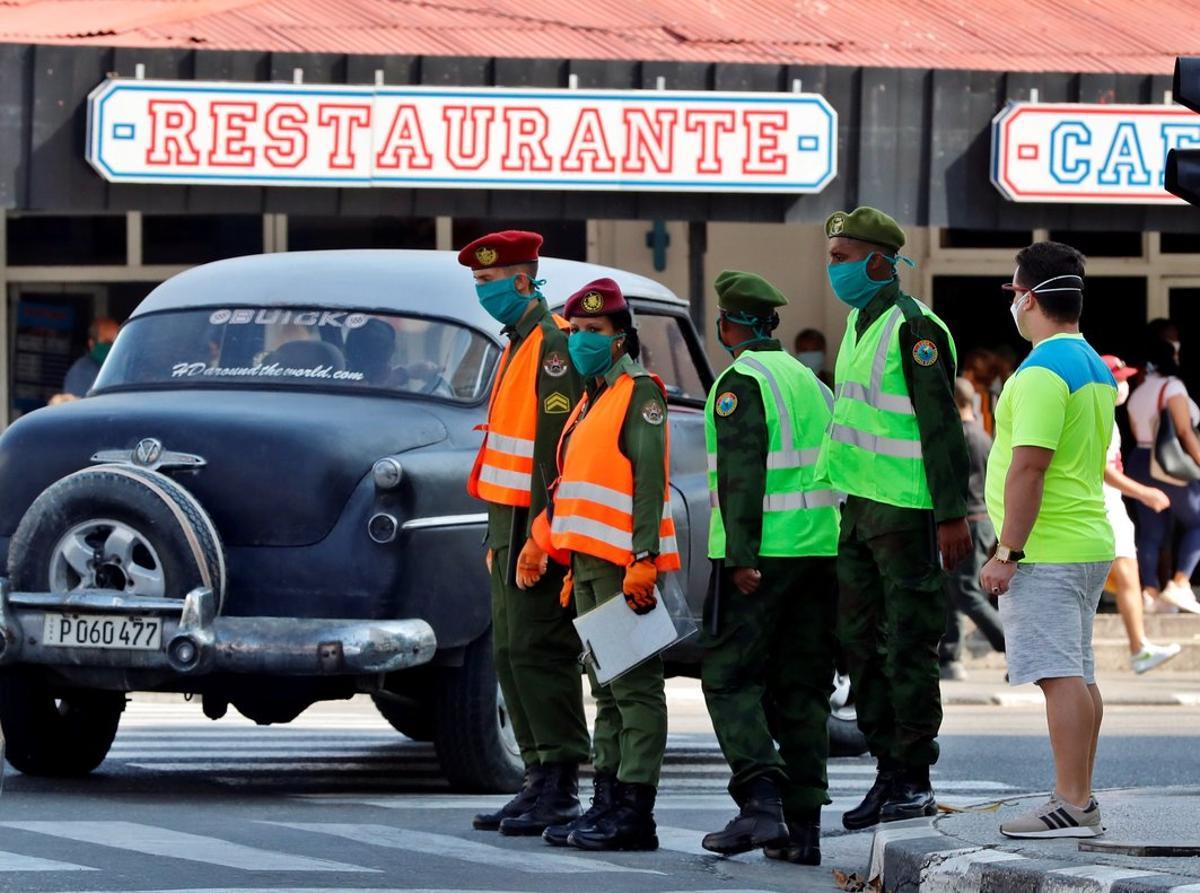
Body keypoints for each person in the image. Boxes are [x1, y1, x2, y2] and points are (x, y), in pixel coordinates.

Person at [814, 207, 972, 831]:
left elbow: (941, 429)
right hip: (858, 510)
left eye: (842, 258)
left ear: (880, 262)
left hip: (907, 513)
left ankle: (913, 777)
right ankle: (887, 768)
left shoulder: (915, 329)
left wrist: (951, 515)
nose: (835, 271)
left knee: (908, 645)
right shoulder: (858, 322)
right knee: (861, 647)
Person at [534, 277, 680, 852]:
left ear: (620, 338)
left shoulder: (640, 392)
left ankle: (635, 813)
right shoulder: (591, 398)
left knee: (635, 689)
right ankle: (608, 801)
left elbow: (648, 482)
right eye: (574, 331)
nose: (580, 341)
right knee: (607, 687)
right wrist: (569, 558)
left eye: (593, 331)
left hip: (625, 566)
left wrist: (643, 559)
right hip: (593, 565)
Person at [699, 271, 840, 866]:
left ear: (730, 325)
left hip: (765, 557)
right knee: (802, 689)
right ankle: (802, 828)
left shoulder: (741, 381)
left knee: (729, 679)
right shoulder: (811, 381)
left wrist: (740, 557)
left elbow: (741, 475)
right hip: (820, 553)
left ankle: (760, 800)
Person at [980, 241, 1114, 839]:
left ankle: (1071, 802)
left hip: (1047, 549)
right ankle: (1078, 797)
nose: (1013, 302)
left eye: (1013, 291)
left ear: (1028, 297)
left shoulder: (1039, 372)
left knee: (1060, 676)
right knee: (1078, 675)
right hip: (1084, 538)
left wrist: (1007, 552)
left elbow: (1028, 468)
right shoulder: (1095, 365)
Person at [460, 230, 590, 836]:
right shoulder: (517, 341)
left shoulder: (554, 344)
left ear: (521, 280)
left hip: (538, 524)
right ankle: (537, 779)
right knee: (511, 652)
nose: (482, 293)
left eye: (489, 282)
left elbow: (552, 453)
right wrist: (498, 536)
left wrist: (539, 536)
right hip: (508, 522)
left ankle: (559, 783)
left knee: (541, 651)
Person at [1100, 354, 1181, 673]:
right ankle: (1139, 647)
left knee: (1122, 576)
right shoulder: (1103, 419)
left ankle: (1139, 645)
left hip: (1107, 504)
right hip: (1105, 504)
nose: (1124, 385)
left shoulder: (1105, 416)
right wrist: (1144, 493)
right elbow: (1103, 470)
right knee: (1126, 575)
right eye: (1118, 379)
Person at [1125, 337, 1200, 615]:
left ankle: (1150, 592)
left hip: (1141, 461)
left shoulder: (1139, 391)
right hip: (1169, 463)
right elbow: (1183, 430)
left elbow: (1137, 432)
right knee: (1197, 521)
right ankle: (1180, 583)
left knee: (1151, 531)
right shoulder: (1173, 387)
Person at [939, 377, 1005, 681]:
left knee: (965, 589)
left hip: (971, 521)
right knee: (952, 587)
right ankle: (949, 654)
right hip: (982, 520)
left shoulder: (962, 438)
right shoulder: (982, 436)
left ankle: (1009, 645)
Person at [62, 317, 119, 397]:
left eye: (117, 342)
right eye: (107, 342)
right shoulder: (82, 371)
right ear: (91, 344)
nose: (112, 347)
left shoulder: (121, 369)